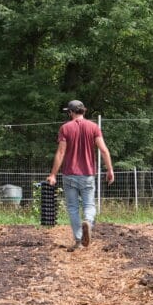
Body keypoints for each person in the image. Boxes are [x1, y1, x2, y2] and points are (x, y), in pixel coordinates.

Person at [46, 99, 115, 251]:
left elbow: (61, 152)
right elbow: (103, 150)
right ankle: (88, 223)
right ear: (84, 111)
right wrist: (110, 169)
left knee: (72, 208)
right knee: (89, 205)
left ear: (70, 112)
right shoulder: (94, 127)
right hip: (88, 174)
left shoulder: (65, 128)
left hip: (69, 174)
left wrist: (53, 175)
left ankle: (78, 240)